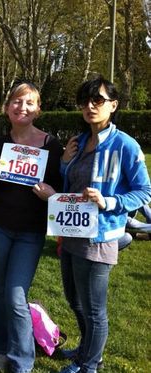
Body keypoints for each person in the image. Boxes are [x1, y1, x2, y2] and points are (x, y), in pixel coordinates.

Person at [58, 76, 151, 373]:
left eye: (97, 100)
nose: (90, 106)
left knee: (95, 309)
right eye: (85, 101)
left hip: (100, 237)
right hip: (71, 231)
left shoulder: (125, 145)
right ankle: (87, 349)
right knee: (75, 300)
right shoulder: (78, 141)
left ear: (113, 105)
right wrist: (63, 162)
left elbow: (144, 191)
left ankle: (89, 364)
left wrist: (108, 202)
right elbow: (69, 183)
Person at [0, 81, 63, 372]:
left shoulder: (51, 145)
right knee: (0, 291)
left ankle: (22, 360)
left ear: (38, 109)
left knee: (16, 294)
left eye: (29, 103)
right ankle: (0, 345)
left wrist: (50, 192)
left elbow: (62, 187)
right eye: (17, 102)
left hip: (30, 231)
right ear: (7, 108)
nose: (22, 107)